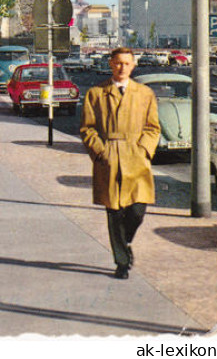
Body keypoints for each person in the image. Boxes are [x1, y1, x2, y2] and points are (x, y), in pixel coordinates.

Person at [80, 46, 160, 279]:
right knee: (114, 212)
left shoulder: (144, 94)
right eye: (117, 63)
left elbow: (153, 127)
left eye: (127, 63)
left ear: (133, 65)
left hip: (136, 157)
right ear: (110, 64)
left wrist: (144, 150)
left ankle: (125, 243)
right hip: (110, 157)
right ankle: (122, 262)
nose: (122, 67)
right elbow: (87, 128)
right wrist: (100, 152)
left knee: (137, 210)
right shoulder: (96, 93)